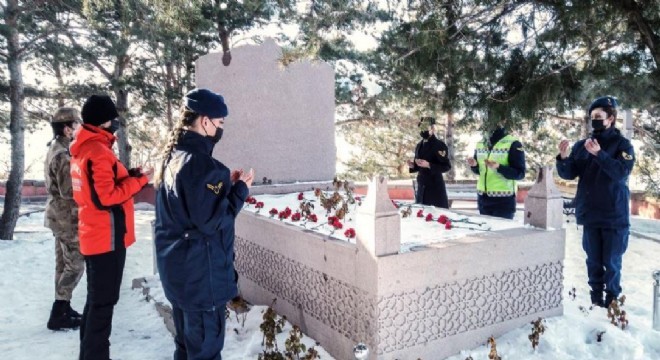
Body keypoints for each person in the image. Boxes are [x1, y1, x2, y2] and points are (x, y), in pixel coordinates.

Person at [154, 88, 254, 360]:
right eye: (219, 123)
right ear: (205, 121)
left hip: (179, 274)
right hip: (201, 279)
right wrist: (240, 191)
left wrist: (225, 187)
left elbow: (191, 209)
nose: (221, 129)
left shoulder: (171, 158)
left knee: (187, 349)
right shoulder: (204, 166)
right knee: (205, 352)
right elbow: (212, 222)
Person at [70, 94, 152, 360]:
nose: (116, 122)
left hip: (97, 236)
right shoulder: (96, 152)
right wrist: (139, 183)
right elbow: (106, 197)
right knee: (103, 305)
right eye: (112, 118)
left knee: (96, 303)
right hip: (106, 239)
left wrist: (133, 175)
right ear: (103, 121)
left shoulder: (87, 149)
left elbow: (105, 186)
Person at [556, 96, 634, 308]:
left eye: (598, 117)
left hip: (613, 216)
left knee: (612, 263)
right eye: (592, 117)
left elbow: (621, 172)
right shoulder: (583, 145)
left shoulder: (623, 145)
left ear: (610, 118)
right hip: (590, 214)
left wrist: (600, 154)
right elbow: (569, 173)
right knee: (593, 262)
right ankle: (596, 301)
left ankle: (612, 303)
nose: (594, 121)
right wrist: (563, 158)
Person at [44, 107, 84, 331]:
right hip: (66, 217)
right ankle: (59, 310)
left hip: (58, 216)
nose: (79, 128)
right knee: (75, 264)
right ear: (67, 128)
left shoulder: (56, 148)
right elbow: (70, 191)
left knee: (62, 264)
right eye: (76, 124)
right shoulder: (63, 154)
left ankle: (63, 307)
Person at [467, 121, 526, 219]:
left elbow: (520, 173)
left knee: (501, 234)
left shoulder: (513, 144)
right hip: (483, 198)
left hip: (503, 200)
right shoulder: (480, 143)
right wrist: (474, 165)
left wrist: (499, 167)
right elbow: (480, 171)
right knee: (485, 233)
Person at [407, 116, 451, 208]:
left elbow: (446, 166)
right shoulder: (419, 145)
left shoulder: (439, 145)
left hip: (434, 189)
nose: (423, 130)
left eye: (426, 127)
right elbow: (419, 166)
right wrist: (413, 166)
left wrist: (429, 165)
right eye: (422, 127)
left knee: (435, 218)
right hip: (421, 188)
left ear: (433, 128)